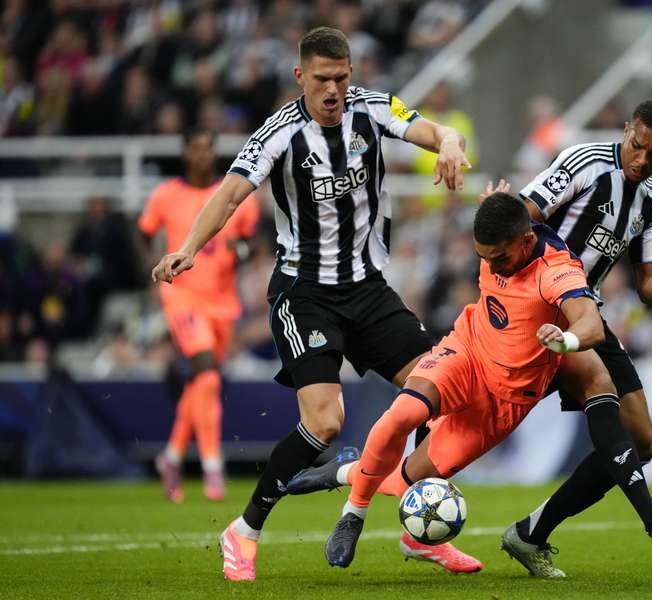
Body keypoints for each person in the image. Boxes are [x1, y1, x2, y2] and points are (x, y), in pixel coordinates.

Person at [150, 27, 470, 582]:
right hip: (304, 293)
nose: (334, 90)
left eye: (342, 78)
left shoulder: (372, 108)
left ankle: (418, 534)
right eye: (322, 79)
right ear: (301, 77)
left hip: (369, 289)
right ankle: (244, 530)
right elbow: (229, 194)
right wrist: (188, 249)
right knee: (325, 422)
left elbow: (433, 129)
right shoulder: (279, 133)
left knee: (437, 391)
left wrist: (449, 143)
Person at [497, 98, 652, 576]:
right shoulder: (584, 162)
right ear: (627, 129)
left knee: (641, 439)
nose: (641, 159)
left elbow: (649, 283)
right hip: (538, 307)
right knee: (592, 389)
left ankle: (531, 534)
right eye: (637, 145)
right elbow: (521, 215)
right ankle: (650, 516)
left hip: (586, 315)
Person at [303, 191, 609, 569]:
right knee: (403, 412)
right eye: (485, 258)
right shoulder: (502, 236)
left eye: (500, 258)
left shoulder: (556, 270)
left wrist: (567, 340)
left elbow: (592, 325)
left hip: (503, 401)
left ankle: (346, 469)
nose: (493, 268)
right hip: (467, 351)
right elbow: (513, 206)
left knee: (402, 482)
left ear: (527, 240)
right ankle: (354, 515)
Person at [139, 128, 259, 503]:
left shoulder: (235, 193)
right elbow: (144, 233)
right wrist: (153, 269)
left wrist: (240, 251)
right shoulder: (166, 196)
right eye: (195, 148)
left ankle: (172, 456)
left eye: (208, 148)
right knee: (206, 373)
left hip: (222, 302)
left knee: (202, 383)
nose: (203, 155)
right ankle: (212, 465)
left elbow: (246, 242)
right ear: (185, 153)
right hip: (183, 298)